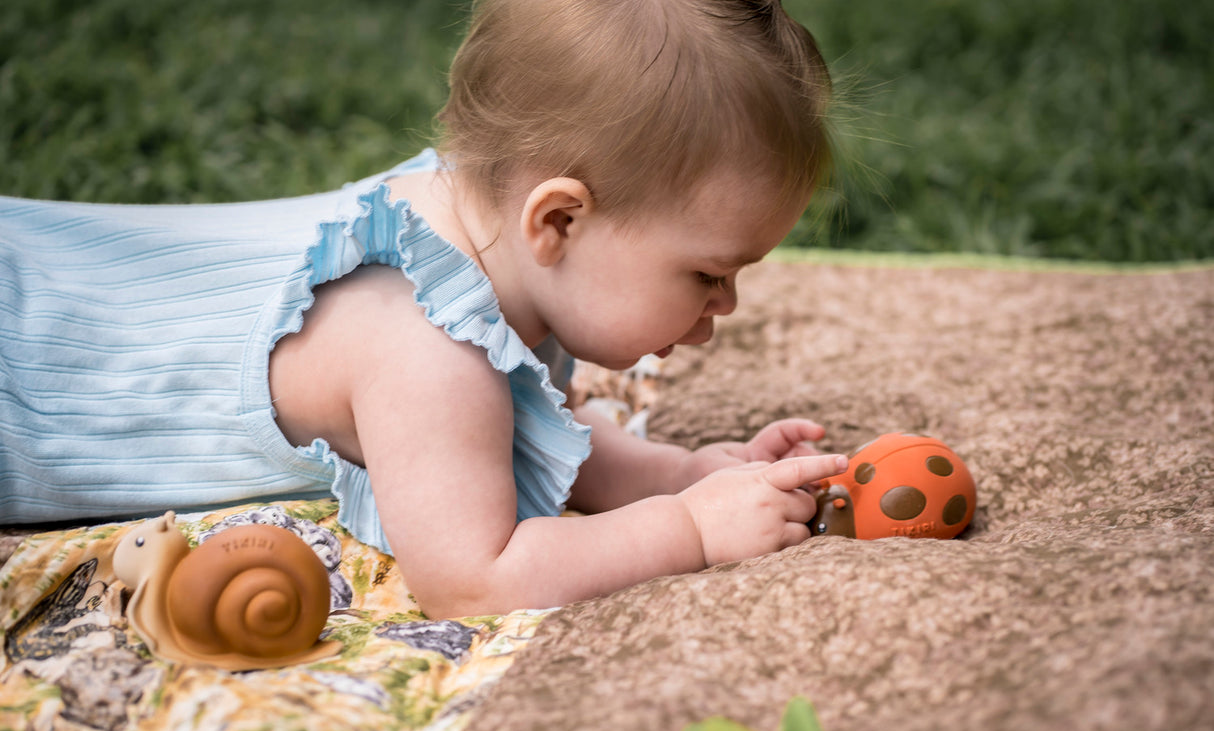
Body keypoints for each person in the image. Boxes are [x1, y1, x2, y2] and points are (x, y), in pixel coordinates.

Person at [0, 0, 844, 618]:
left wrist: (678, 473)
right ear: (558, 220)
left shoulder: (484, 233)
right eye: (707, 274)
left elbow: (517, 430)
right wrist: (688, 526)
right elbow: (476, 577)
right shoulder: (427, 350)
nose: (727, 304)